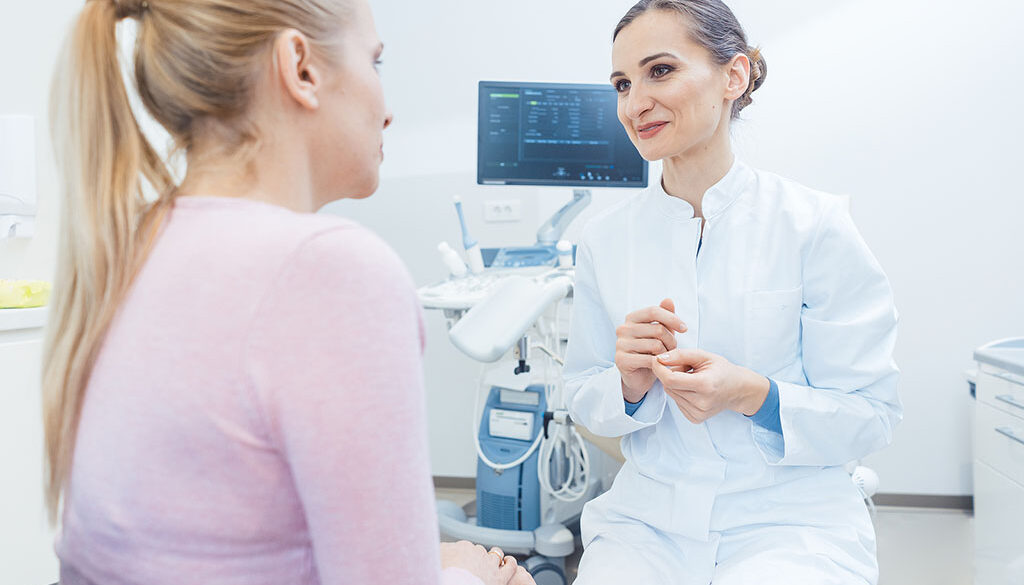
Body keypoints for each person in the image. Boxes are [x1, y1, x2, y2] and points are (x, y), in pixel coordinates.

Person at [42, 1, 533, 584]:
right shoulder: (331, 270)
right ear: (300, 67)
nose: (389, 109)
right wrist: (474, 576)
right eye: (377, 62)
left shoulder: (132, 246)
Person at [562, 1, 902, 584]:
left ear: (733, 76)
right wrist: (627, 384)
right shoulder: (605, 238)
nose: (634, 102)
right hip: (649, 522)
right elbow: (580, 394)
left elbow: (870, 415)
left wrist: (752, 393)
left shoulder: (812, 225)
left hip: (791, 520)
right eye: (622, 83)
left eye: (660, 70)